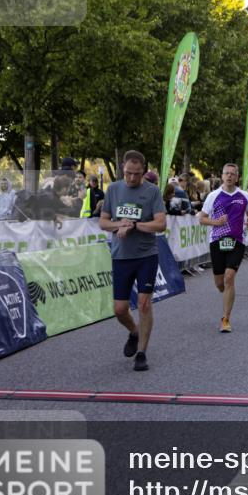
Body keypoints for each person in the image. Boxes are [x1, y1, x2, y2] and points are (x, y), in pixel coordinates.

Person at [99, 150, 167, 371]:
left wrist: (135, 225)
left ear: (143, 171)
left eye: (137, 174)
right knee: (119, 309)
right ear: (122, 169)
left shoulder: (152, 191)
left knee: (144, 304)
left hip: (146, 255)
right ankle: (134, 331)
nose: (132, 178)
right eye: (128, 173)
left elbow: (160, 224)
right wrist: (120, 224)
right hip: (121, 256)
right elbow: (103, 222)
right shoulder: (113, 189)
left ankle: (141, 352)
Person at [199, 163, 248, 333]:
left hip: (237, 241)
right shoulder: (213, 196)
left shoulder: (244, 195)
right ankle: (225, 293)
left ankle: (226, 319)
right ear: (222, 176)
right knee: (220, 283)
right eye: (226, 173)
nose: (229, 176)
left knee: (229, 277)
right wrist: (216, 222)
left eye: (233, 174)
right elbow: (201, 218)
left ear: (237, 177)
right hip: (217, 240)